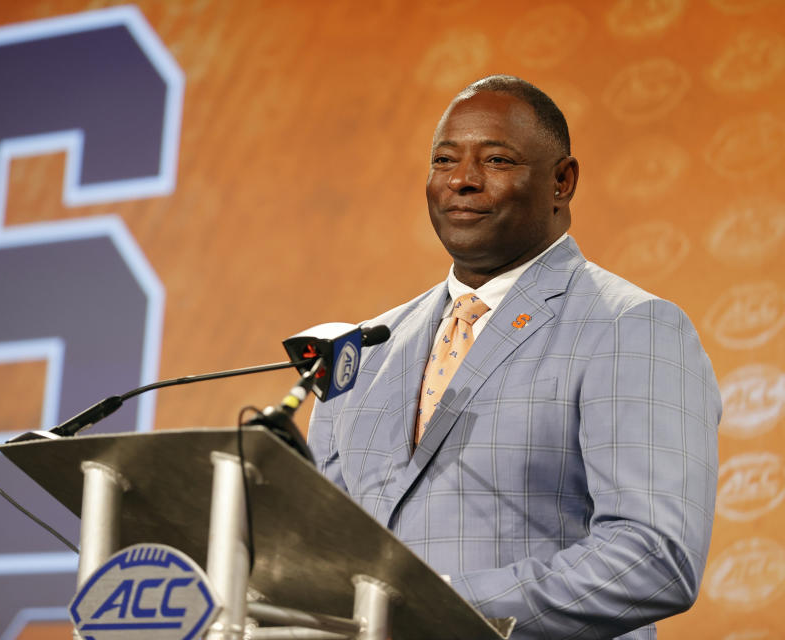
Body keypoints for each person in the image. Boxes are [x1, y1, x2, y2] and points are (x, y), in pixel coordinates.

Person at [307, 75, 721, 639]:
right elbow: (314, 549)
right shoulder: (364, 348)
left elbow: (653, 558)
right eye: (444, 159)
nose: (461, 180)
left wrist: (438, 609)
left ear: (562, 182)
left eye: (496, 160)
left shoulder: (631, 326)